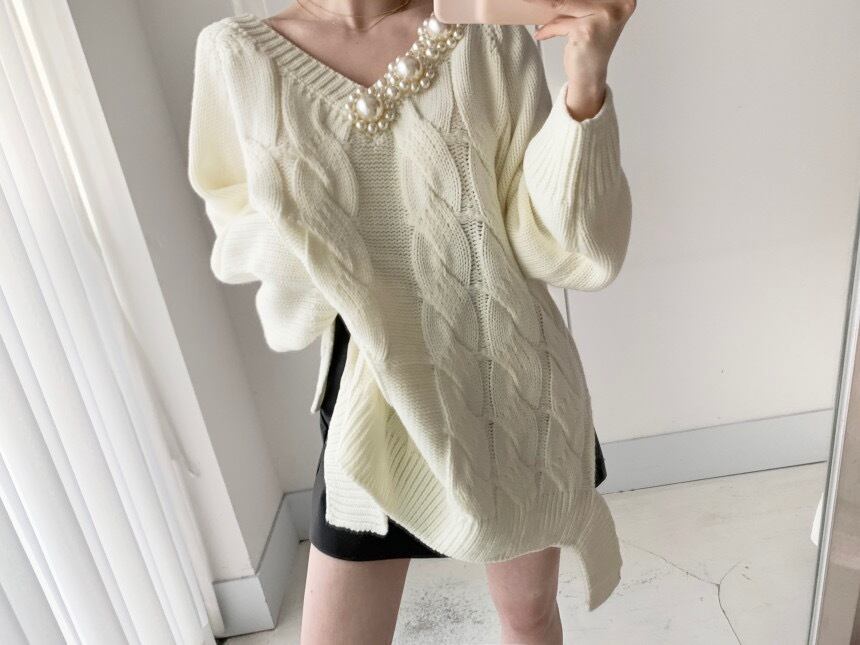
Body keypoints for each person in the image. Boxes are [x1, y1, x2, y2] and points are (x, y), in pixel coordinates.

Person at [187, 0, 635, 642]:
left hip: (506, 370)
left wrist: (585, 84)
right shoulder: (238, 54)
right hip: (369, 394)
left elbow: (544, 240)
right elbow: (236, 224)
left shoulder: (486, 33)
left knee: (528, 615)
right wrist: (324, 240)